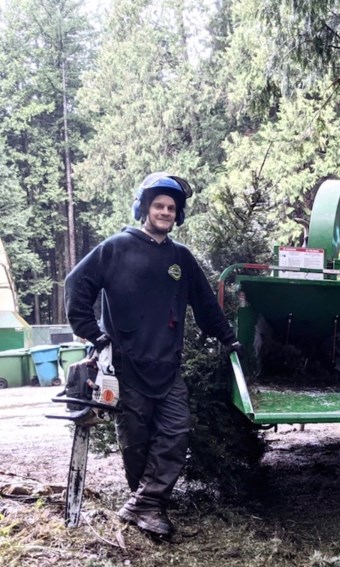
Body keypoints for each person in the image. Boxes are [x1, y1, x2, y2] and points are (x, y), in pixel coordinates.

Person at [65, 172, 241, 538]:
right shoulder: (116, 248)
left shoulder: (181, 257)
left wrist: (227, 337)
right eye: (158, 205)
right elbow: (76, 285)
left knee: (176, 431)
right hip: (125, 366)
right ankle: (147, 503)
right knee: (135, 439)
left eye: (171, 208)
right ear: (144, 208)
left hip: (167, 366)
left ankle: (145, 503)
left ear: (178, 215)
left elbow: (205, 303)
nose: (164, 212)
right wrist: (93, 333)